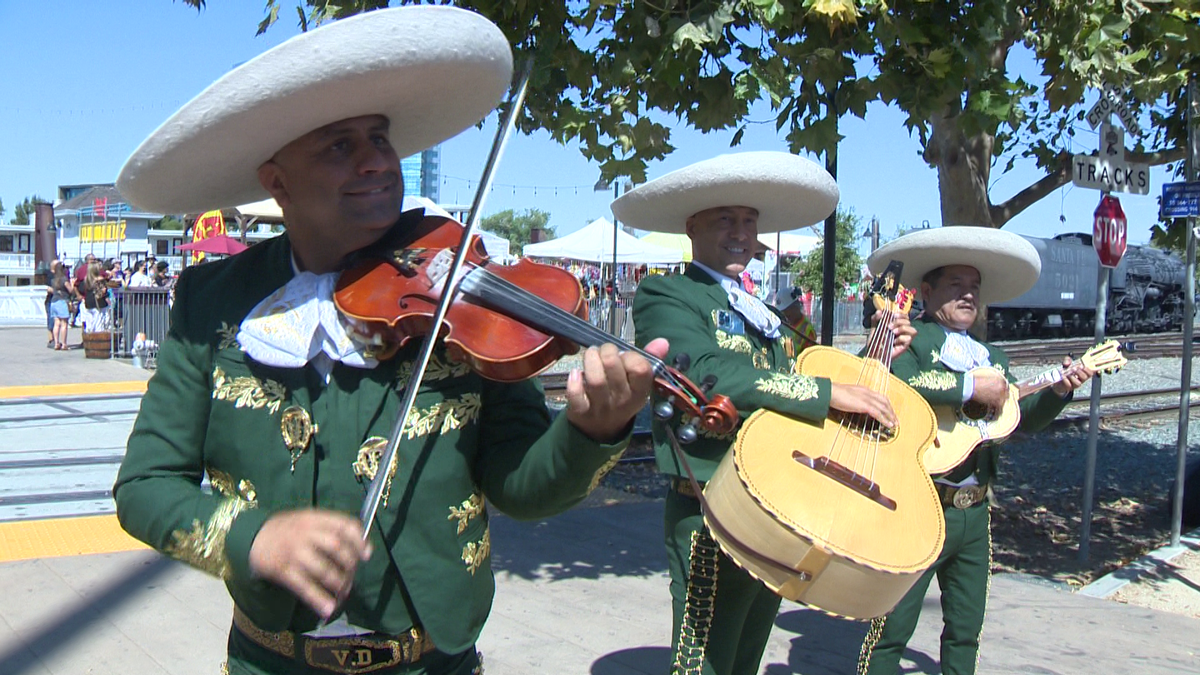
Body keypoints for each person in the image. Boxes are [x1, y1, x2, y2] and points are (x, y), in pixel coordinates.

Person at [113, 8, 664, 675]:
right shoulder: (214, 300)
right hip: (271, 661)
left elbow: (521, 485)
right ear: (277, 180)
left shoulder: (462, 290)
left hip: (431, 662)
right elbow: (145, 486)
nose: (378, 160)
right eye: (339, 145)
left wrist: (588, 433)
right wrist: (253, 539)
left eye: (379, 137)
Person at [620, 151, 916, 675]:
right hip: (712, 506)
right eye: (725, 220)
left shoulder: (767, 310)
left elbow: (807, 370)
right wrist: (827, 393)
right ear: (692, 227)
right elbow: (703, 373)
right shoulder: (667, 292)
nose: (741, 233)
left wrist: (876, 355)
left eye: (749, 221)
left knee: (745, 661)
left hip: (779, 508)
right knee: (703, 663)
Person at [856, 227, 1095, 675]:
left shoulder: (995, 357)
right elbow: (901, 386)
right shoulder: (913, 340)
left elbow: (1018, 419)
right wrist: (970, 386)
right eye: (956, 285)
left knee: (966, 629)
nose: (968, 295)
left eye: (974, 288)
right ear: (927, 292)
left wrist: (1059, 391)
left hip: (975, 514)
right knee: (890, 629)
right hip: (918, 505)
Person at [47, 259, 73, 350]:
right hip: (62, 301)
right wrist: (72, 284)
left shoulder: (53, 280)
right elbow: (70, 290)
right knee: (64, 324)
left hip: (54, 301)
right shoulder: (64, 279)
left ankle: (56, 343)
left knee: (56, 323)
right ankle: (64, 344)